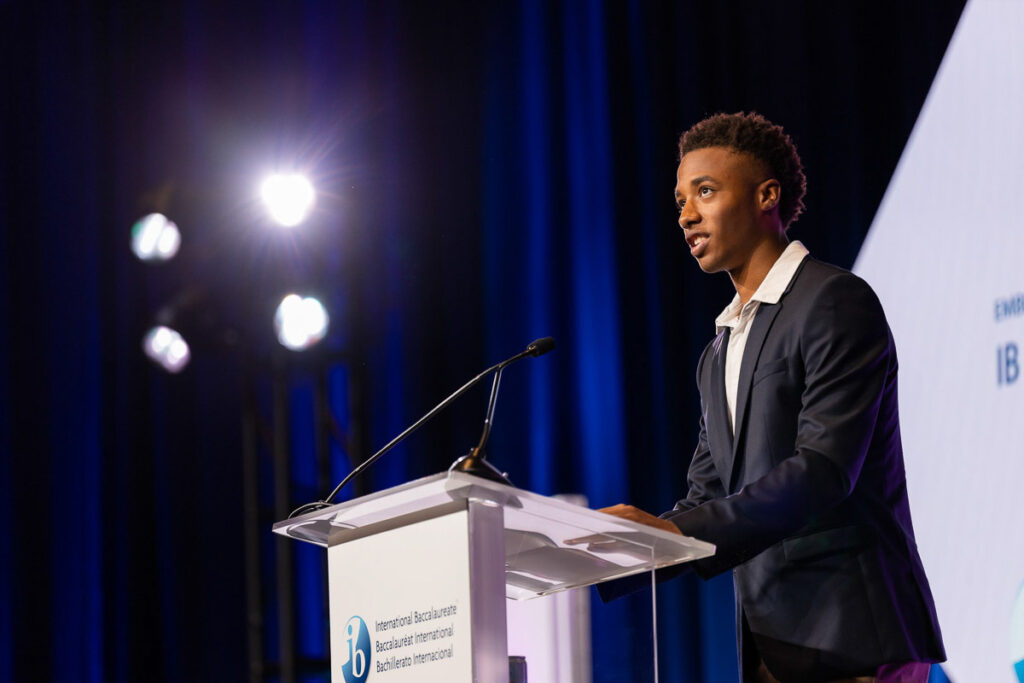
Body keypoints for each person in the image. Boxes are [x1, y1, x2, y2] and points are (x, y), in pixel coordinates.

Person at [600, 112, 945, 683]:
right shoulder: (718, 351)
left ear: (766, 195)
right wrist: (623, 549)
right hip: (774, 644)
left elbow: (824, 469)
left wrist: (678, 535)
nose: (686, 215)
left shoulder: (834, 301)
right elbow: (706, 493)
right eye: (680, 199)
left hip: (852, 631)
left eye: (705, 192)